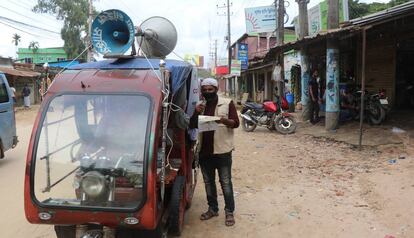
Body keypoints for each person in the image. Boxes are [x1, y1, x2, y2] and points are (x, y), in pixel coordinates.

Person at [190, 78, 239, 227]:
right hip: (205, 153)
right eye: (204, 90)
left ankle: (229, 211)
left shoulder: (227, 102)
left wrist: (223, 121)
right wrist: (195, 113)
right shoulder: (200, 105)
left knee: (225, 182)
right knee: (208, 183)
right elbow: (192, 125)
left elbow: (235, 123)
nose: (207, 92)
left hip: (222, 151)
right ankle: (213, 209)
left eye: (210, 89)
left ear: (216, 89)